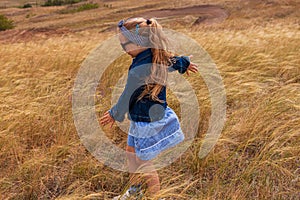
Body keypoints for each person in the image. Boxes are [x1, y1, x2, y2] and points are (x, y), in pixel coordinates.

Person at [99, 17, 198, 200]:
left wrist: (115, 114)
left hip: (148, 122)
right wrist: (185, 63)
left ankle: (156, 197)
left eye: (125, 45)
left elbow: (128, 95)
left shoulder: (141, 67)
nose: (124, 50)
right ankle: (135, 192)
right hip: (140, 119)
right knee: (131, 154)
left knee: (145, 163)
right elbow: (173, 61)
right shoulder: (153, 56)